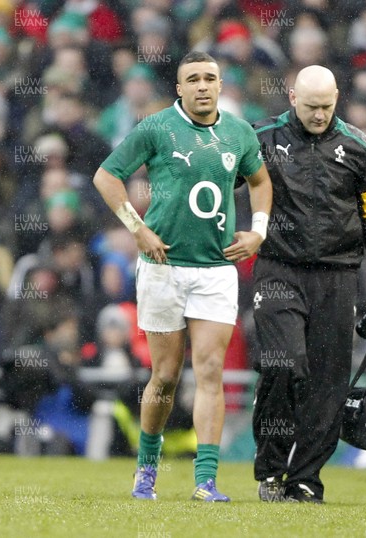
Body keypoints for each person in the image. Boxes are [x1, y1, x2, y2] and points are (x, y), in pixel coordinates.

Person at [93, 51, 272, 502]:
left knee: (209, 371)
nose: (202, 86)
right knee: (166, 376)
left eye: (210, 78)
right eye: (192, 79)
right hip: (164, 269)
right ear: (179, 88)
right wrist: (139, 229)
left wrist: (258, 230)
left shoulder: (239, 132)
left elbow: (261, 182)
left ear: (220, 84)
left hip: (216, 270)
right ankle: (146, 470)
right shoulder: (156, 127)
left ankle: (205, 481)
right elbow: (106, 176)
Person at [251, 65, 366, 503]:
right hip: (279, 269)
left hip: (338, 276)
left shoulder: (357, 147)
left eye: (327, 106)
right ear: (293, 97)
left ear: (337, 98)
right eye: (311, 106)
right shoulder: (261, 140)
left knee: (328, 383)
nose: (319, 115)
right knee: (283, 364)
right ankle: (272, 469)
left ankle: (304, 479)